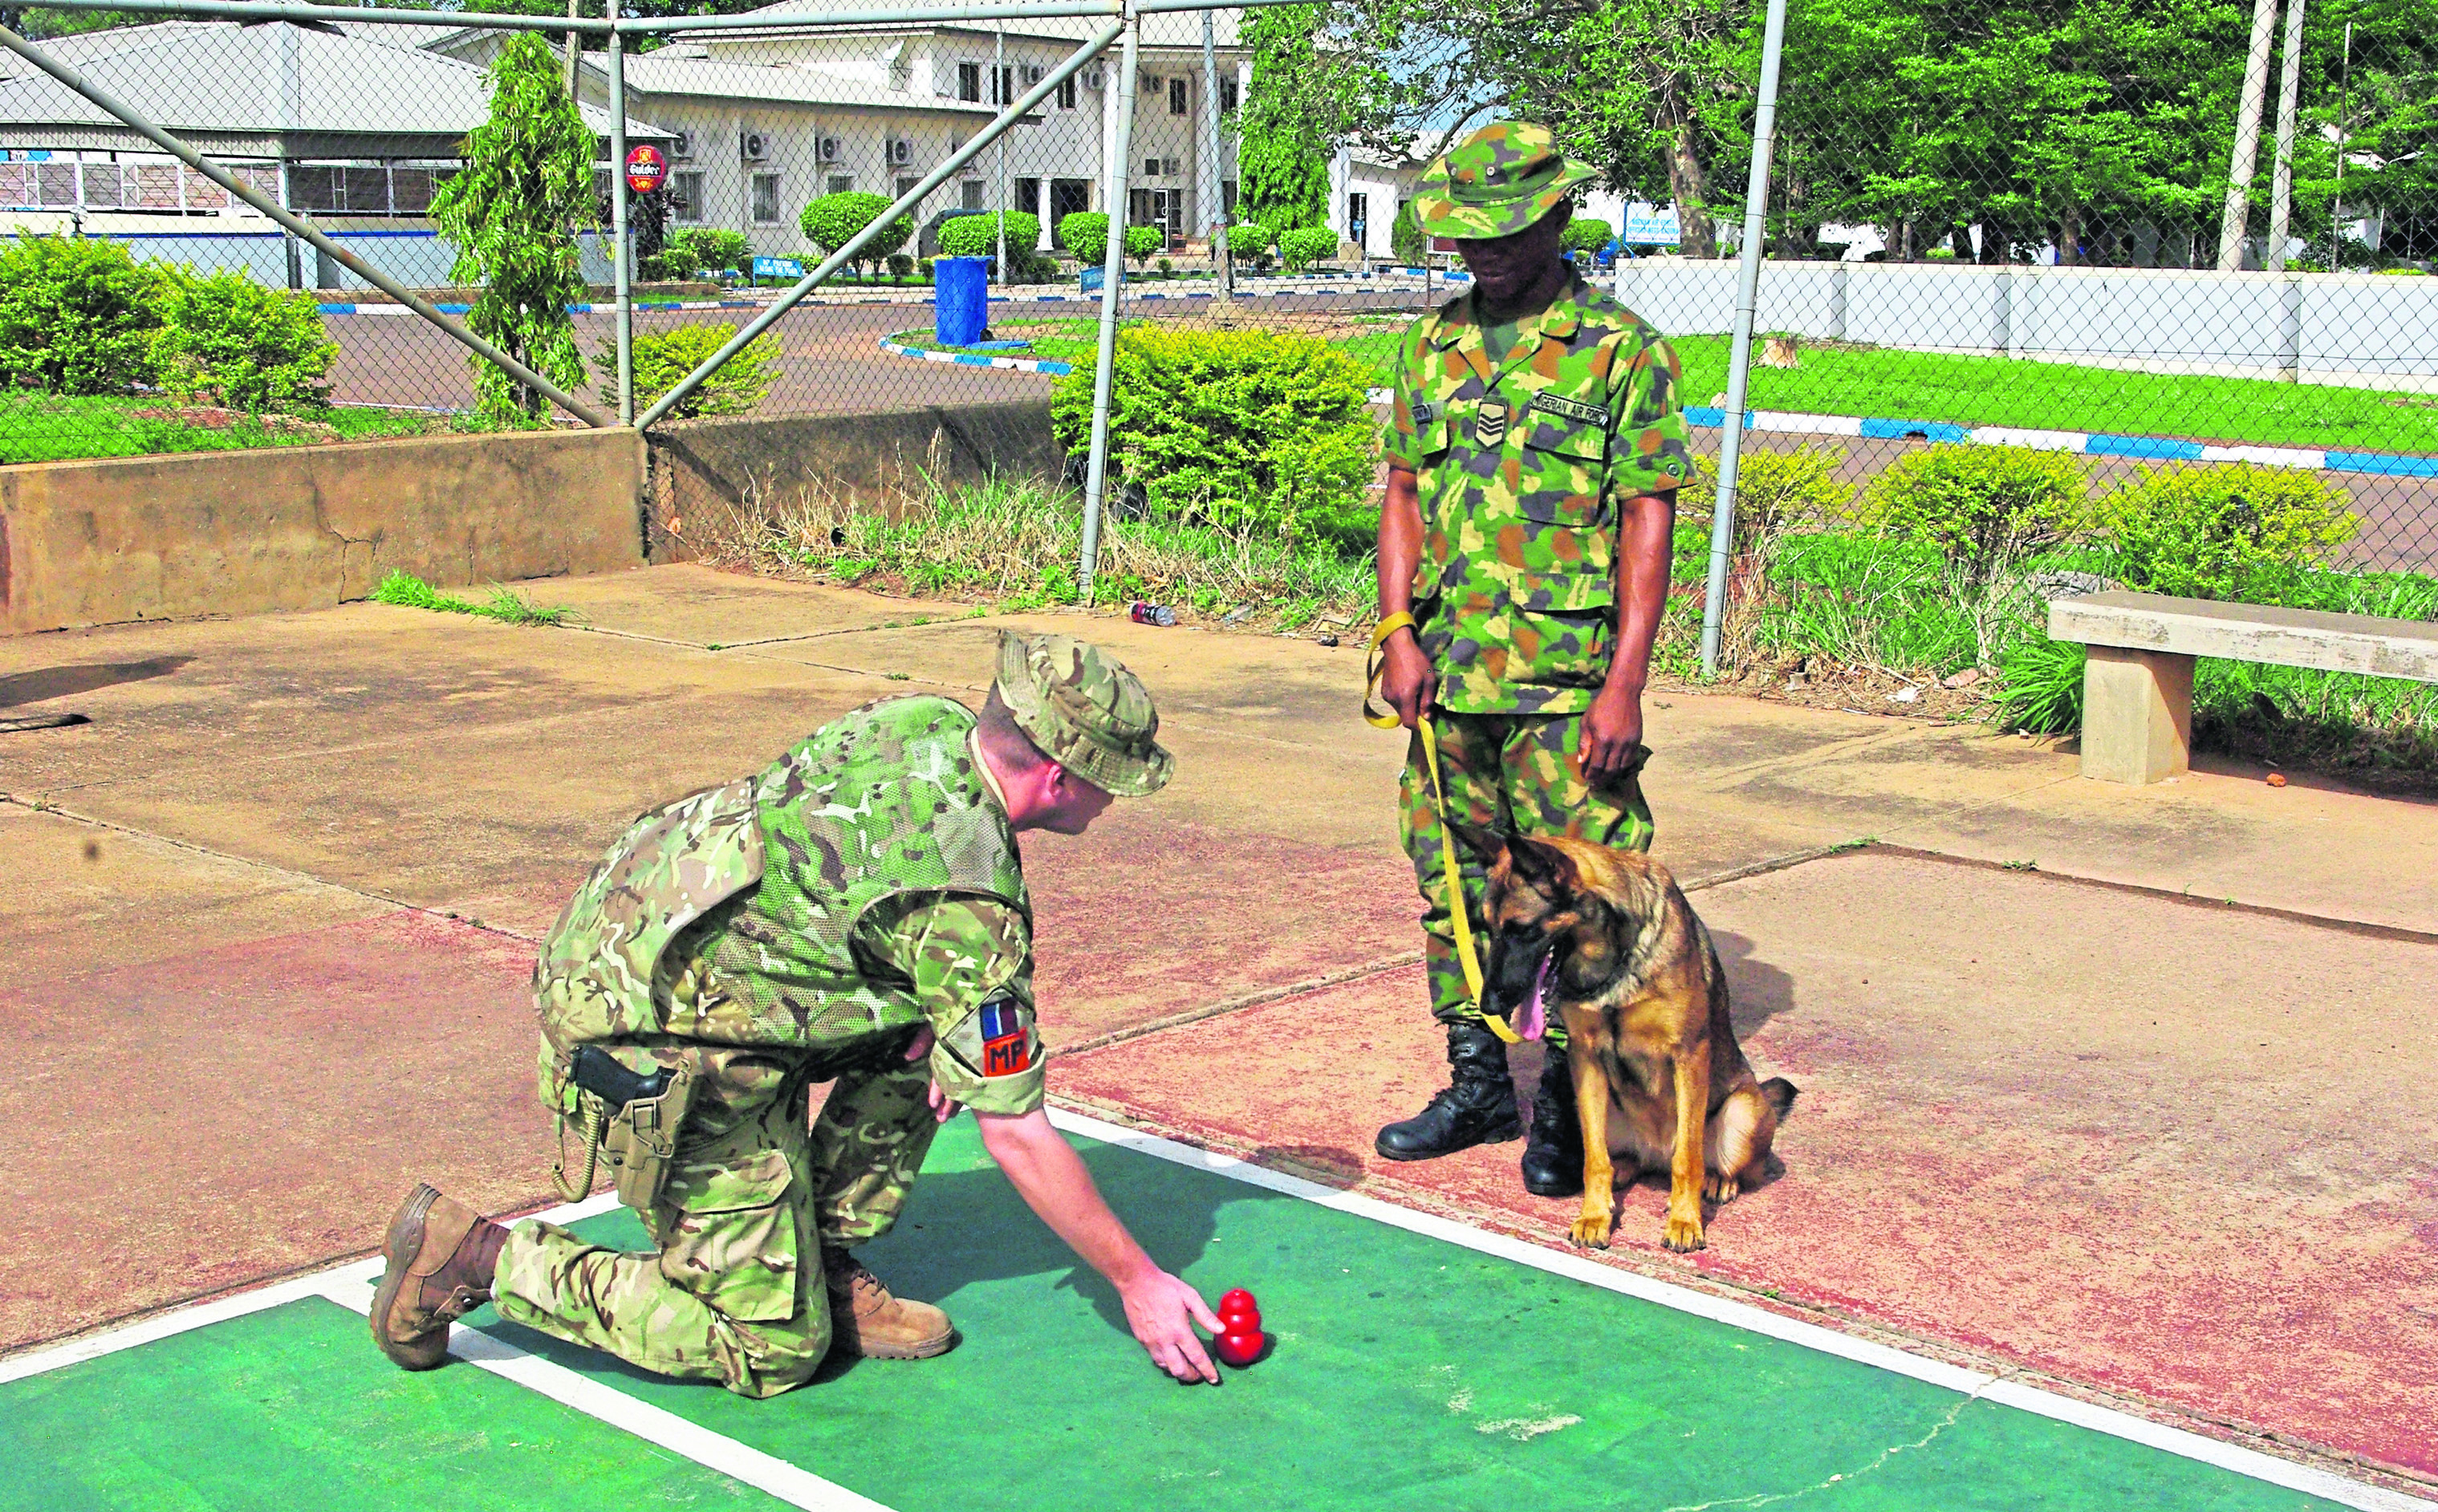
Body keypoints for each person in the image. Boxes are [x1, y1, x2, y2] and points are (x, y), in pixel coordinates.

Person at [370, 632, 1229, 1395]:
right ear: (1055, 776)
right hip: (653, 1038)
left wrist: (933, 1019)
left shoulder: (923, 722)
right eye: (1109, 784)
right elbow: (1016, 1131)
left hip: (669, 946)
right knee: (773, 1351)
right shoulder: (967, 905)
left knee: (931, 1041)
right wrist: (1136, 1281)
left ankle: (816, 1258)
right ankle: (474, 1258)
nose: (1114, 804)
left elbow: (837, 889)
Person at [1369, 122, 1693, 1196]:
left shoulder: (1617, 350)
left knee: (1581, 903)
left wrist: (1624, 683)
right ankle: (1477, 1084)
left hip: (1566, 691)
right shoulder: (1432, 345)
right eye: (1465, 235)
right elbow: (1404, 494)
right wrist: (1395, 632)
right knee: (1452, 888)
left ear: (1557, 217)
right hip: (1447, 677)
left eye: (1506, 230)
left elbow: (1648, 517)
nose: (1485, 252)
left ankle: (1566, 1104)